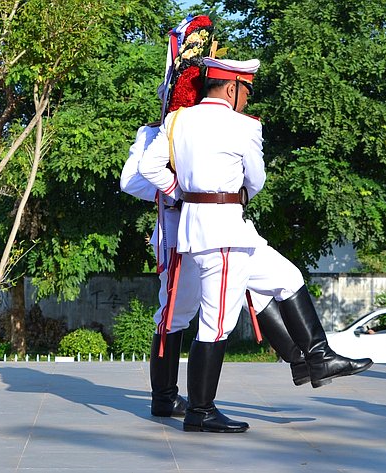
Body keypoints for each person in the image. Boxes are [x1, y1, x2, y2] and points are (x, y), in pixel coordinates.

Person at [138, 57, 373, 433]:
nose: (246, 98)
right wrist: (220, 193)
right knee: (215, 325)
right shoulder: (244, 126)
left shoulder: (176, 120)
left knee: (287, 276)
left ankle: (317, 357)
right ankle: (200, 412)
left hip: (211, 230)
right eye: (245, 90)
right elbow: (257, 179)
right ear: (232, 88)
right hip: (224, 233)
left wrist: (184, 194)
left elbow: (150, 170)